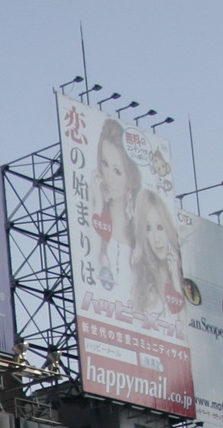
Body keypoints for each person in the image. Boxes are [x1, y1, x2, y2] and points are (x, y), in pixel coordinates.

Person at [90, 115, 139, 296]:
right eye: (104, 164)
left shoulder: (142, 230)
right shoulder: (91, 214)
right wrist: (96, 207)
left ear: (130, 178)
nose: (109, 177)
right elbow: (88, 268)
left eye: (117, 171)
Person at [129, 187, 186, 319]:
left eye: (160, 227)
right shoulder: (142, 280)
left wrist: (177, 282)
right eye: (148, 229)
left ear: (168, 229)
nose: (156, 238)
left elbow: (186, 332)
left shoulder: (185, 272)